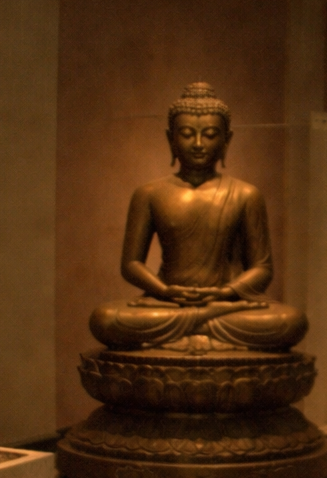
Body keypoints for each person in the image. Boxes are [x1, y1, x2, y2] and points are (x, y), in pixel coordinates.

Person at [89, 83, 307, 353]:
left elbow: (262, 268)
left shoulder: (246, 194)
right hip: (168, 304)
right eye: (187, 134)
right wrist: (165, 291)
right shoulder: (149, 194)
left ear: (226, 140)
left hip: (225, 305)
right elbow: (131, 264)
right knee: (105, 319)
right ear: (170, 139)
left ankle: (191, 329)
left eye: (211, 135)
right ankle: (203, 327)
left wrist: (226, 292)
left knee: (290, 321)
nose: (199, 144)